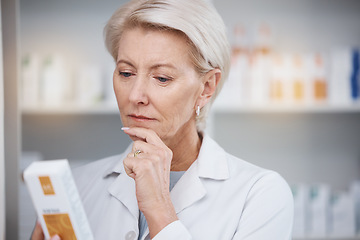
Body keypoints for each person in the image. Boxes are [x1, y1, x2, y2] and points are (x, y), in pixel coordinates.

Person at [31, 0, 294, 239]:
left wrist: (160, 210)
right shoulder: (77, 186)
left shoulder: (260, 196)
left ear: (206, 88)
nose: (135, 95)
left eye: (162, 78)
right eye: (125, 73)